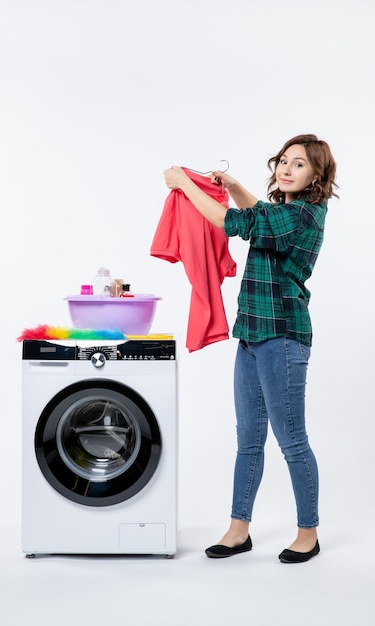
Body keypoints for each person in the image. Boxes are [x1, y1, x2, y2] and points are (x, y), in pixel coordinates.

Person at [163, 134, 338, 563]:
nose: (286, 167)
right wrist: (236, 184)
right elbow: (255, 211)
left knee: (292, 441)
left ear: (317, 175)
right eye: (283, 160)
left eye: (298, 164)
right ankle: (239, 529)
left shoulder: (303, 215)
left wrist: (185, 185)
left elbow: (234, 223)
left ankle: (308, 533)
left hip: (283, 336)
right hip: (253, 335)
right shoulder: (282, 211)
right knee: (248, 439)